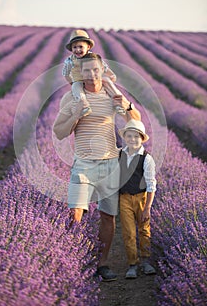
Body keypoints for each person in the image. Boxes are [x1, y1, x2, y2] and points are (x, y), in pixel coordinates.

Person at [53, 53, 141, 282]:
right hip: (83, 164)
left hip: (110, 163)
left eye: (95, 70)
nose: (91, 75)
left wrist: (127, 105)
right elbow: (59, 132)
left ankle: (102, 264)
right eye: (86, 71)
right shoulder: (72, 97)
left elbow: (136, 121)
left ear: (102, 70)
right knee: (75, 213)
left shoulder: (112, 94)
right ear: (80, 73)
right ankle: (74, 260)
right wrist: (75, 114)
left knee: (108, 216)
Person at [118, 119, 157, 279]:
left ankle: (146, 261)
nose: (132, 139)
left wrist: (147, 207)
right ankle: (132, 264)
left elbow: (151, 184)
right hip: (124, 198)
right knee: (128, 232)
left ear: (141, 139)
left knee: (144, 229)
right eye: (129, 136)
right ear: (125, 137)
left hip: (141, 198)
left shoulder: (147, 158)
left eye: (136, 136)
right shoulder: (119, 154)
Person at [62, 29, 126, 116]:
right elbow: (66, 73)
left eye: (81, 47)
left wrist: (111, 75)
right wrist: (72, 83)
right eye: (75, 47)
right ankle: (85, 106)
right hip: (79, 81)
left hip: (95, 79)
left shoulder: (93, 58)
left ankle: (119, 103)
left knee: (107, 81)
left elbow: (104, 67)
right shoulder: (70, 60)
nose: (77, 50)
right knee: (77, 89)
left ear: (88, 47)